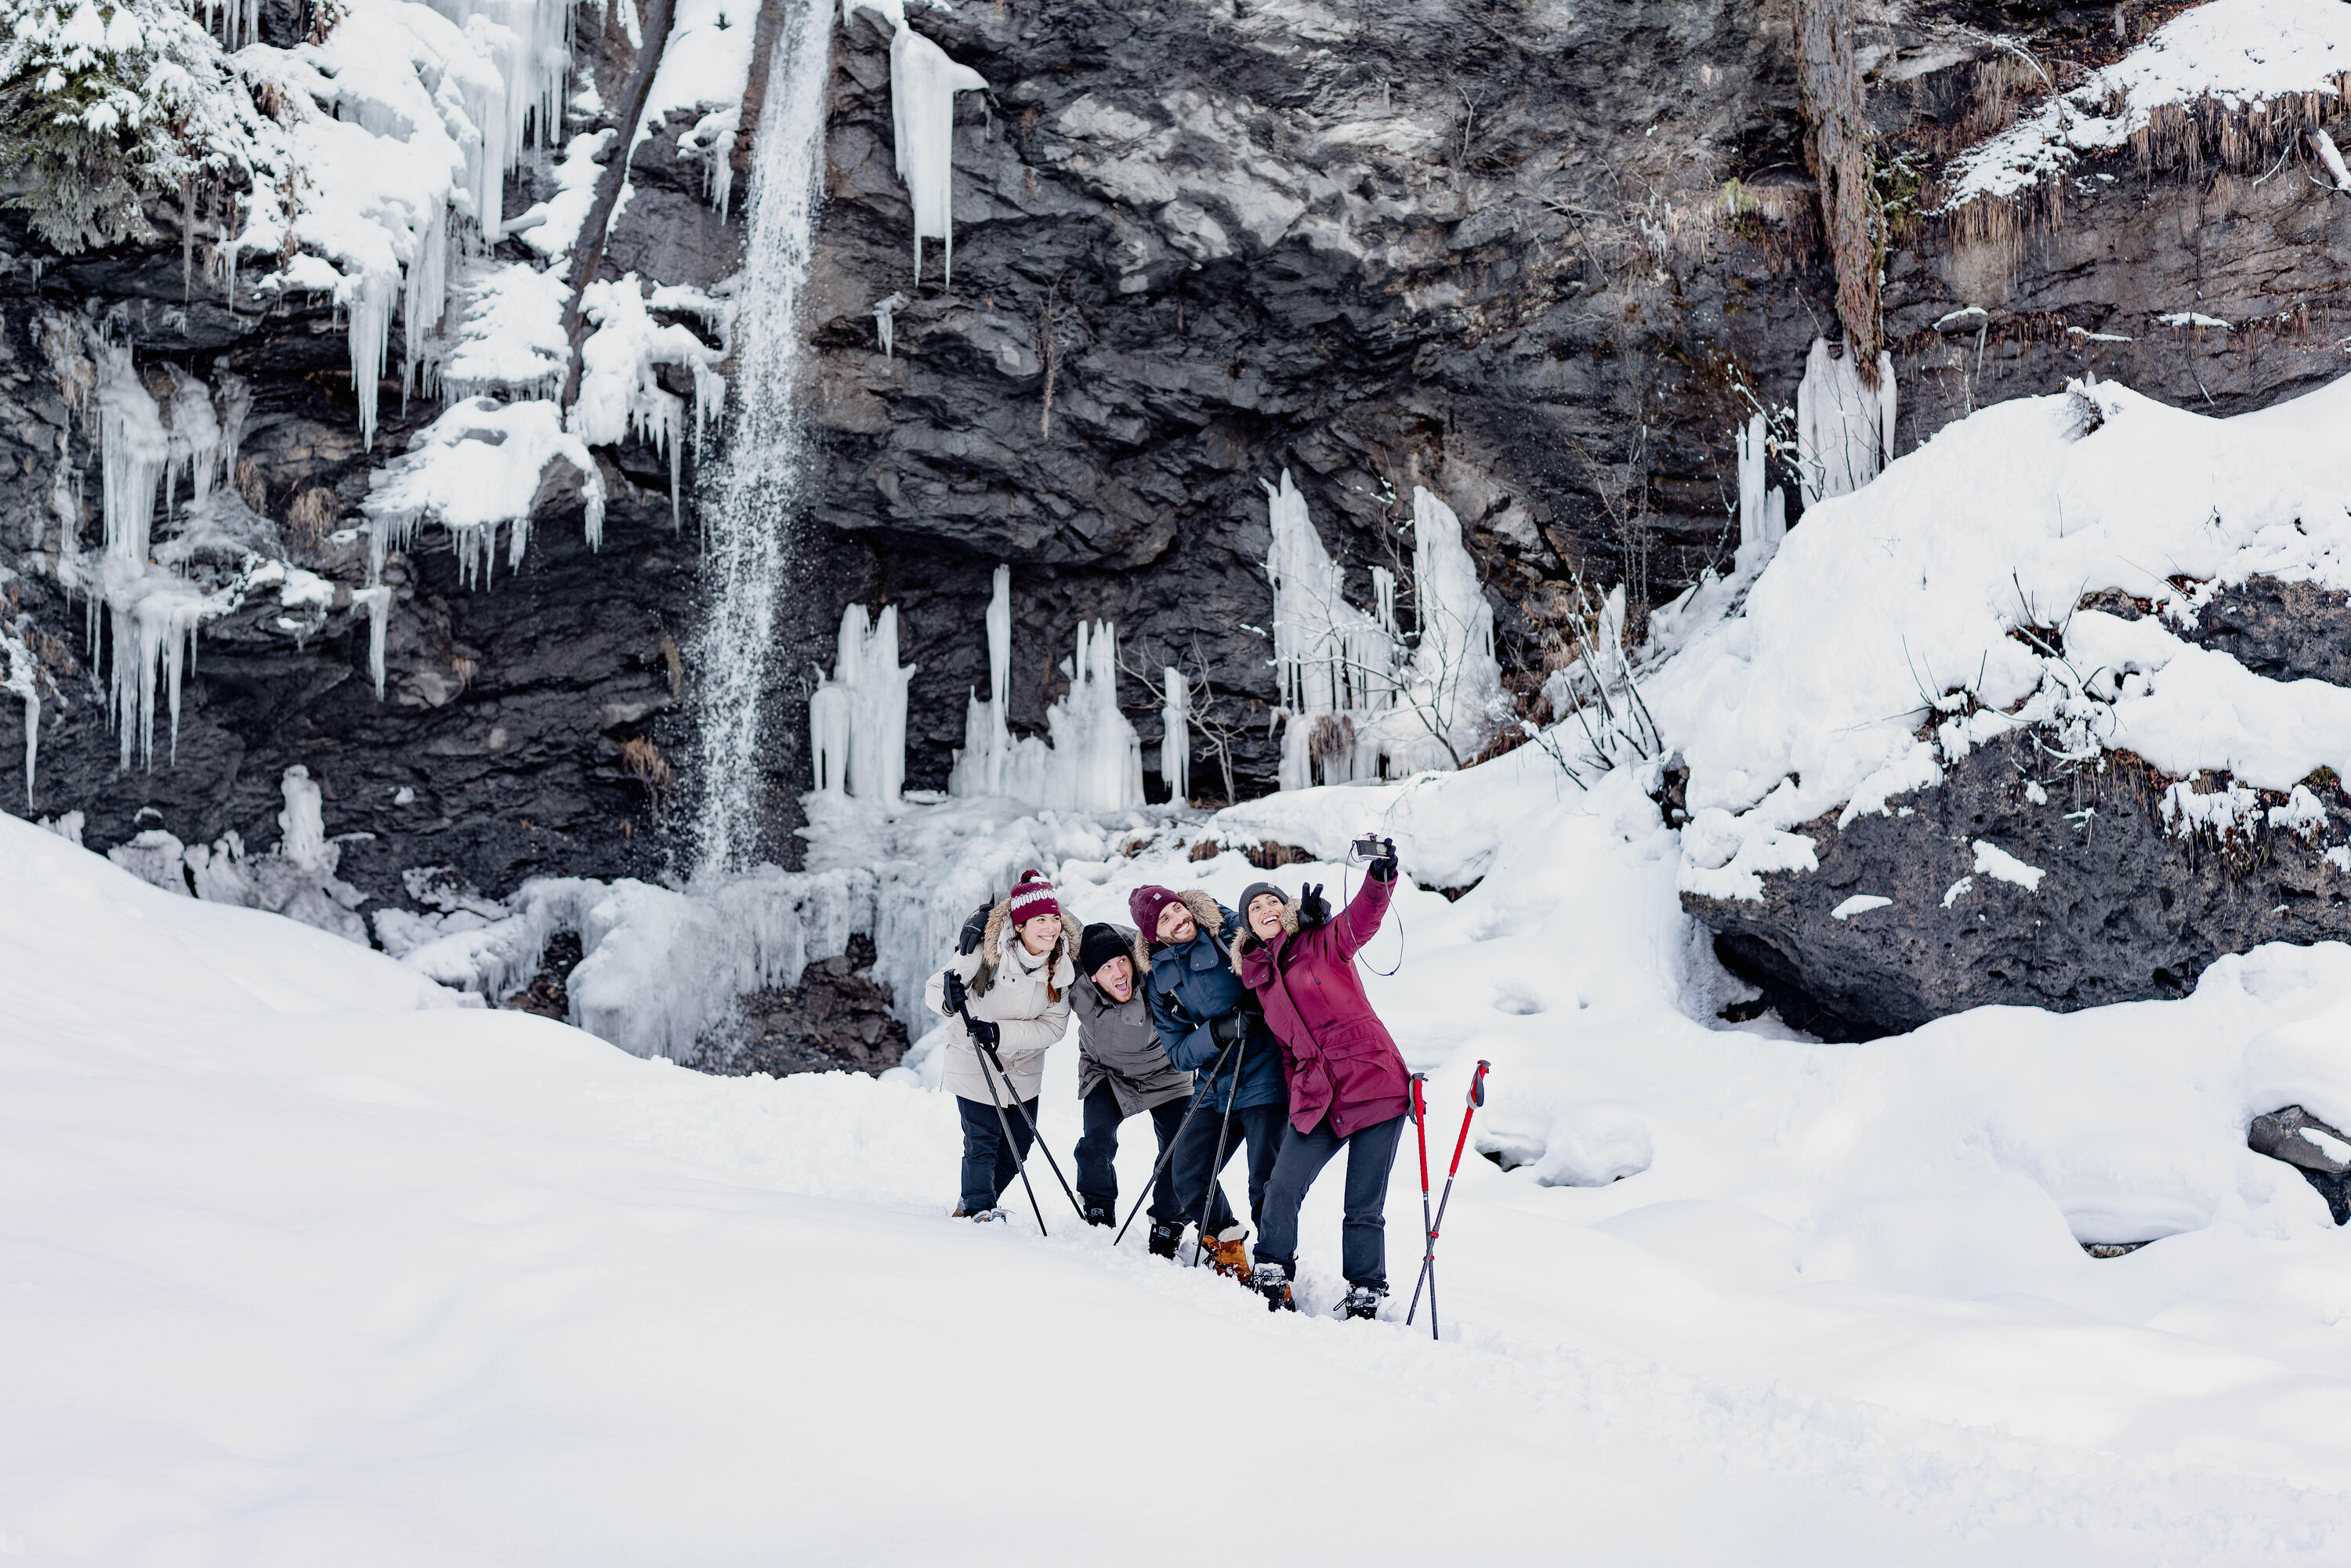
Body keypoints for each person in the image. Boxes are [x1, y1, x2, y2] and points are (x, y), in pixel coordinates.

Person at [1229, 844, 1411, 1320]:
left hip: (1373, 1082)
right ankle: (1271, 1268)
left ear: (1287, 907)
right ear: (1248, 925)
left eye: (1272, 900)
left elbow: (1362, 919)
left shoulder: (1322, 941)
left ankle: (1365, 1289)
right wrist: (1299, 1097)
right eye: (1255, 907)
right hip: (1319, 1098)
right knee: (1282, 1186)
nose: (1266, 909)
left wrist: (1379, 878)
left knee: (1362, 1204)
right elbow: (1289, 1051)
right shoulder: (1261, 980)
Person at [1128, 883, 1288, 1279]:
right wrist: (1217, 1032)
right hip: (1214, 1083)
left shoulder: (1226, 930)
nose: (1179, 919)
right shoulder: (1159, 980)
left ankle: (1275, 1271)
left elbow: (1272, 930)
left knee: (1265, 1183)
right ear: (1153, 935)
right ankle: (1228, 1249)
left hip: (1264, 1071)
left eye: (1178, 909)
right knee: (1187, 1172)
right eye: (1165, 919)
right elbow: (1179, 1053)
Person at [926, 870, 1076, 1220]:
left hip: (1023, 1068)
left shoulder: (1062, 966)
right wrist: (949, 1000)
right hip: (973, 1058)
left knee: (1018, 1148)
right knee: (982, 1142)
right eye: (1039, 920)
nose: (1050, 928)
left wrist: (999, 1033)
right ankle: (979, 1210)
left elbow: (1054, 1028)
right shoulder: (984, 951)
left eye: (1055, 918)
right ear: (1019, 925)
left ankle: (976, 1200)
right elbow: (935, 989)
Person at [1070, 921, 1195, 1254]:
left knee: (1178, 1151)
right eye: (1107, 968)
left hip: (1166, 1072)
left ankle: (1169, 1221)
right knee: (1095, 1143)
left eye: (1121, 961)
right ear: (1091, 976)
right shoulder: (1074, 974)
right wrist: (984, 918)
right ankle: (1098, 1207)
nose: (1119, 973)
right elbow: (1042, 914)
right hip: (1106, 1071)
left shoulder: (1156, 972)